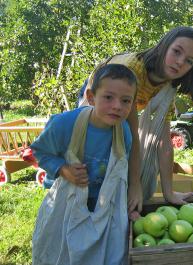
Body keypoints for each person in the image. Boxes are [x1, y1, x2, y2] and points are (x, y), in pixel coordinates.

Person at [79, 26, 193, 213]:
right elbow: (133, 134)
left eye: (189, 61)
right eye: (176, 52)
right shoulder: (133, 70)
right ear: (164, 45)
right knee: (95, 154)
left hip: (121, 108)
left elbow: (164, 142)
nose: (180, 62)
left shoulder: (167, 87)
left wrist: (168, 192)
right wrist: (135, 185)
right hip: (98, 99)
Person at [31, 64, 137, 264]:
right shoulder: (64, 124)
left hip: (105, 204)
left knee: (104, 253)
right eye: (108, 97)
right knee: (60, 250)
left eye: (126, 101)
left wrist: (128, 203)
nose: (117, 106)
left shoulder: (124, 133)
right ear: (90, 97)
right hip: (67, 204)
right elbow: (39, 151)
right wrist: (63, 169)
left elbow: (122, 171)